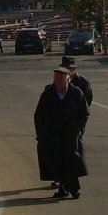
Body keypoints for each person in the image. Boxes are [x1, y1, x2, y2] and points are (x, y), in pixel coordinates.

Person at [34, 63, 89, 199]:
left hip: (71, 134)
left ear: (68, 79)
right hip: (54, 135)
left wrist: (79, 129)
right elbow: (39, 115)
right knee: (57, 161)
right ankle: (63, 189)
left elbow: (84, 113)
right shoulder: (48, 94)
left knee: (71, 161)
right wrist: (41, 134)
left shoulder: (76, 93)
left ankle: (75, 189)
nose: (58, 81)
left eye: (61, 78)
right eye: (56, 77)